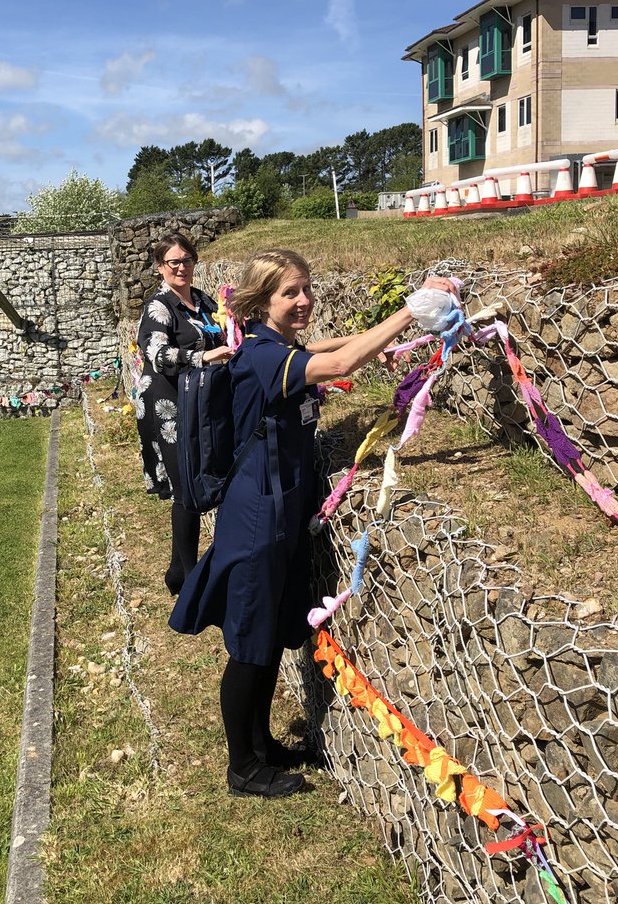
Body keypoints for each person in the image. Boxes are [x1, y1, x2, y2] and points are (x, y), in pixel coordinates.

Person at [169, 249, 459, 799]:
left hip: (280, 511)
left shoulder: (280, 346)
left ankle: (263, 745)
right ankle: (242, 766)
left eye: (306, 289)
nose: (302, 301)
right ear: (261, 302)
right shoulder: (260, 355)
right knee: (249, 647)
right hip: (258, 516)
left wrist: (399, 322)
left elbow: (334, 349)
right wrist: (410, 312)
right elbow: (341, 365)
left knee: (271, 637)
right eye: (289, 293)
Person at [135, 232, 234, 596]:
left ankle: (177, 573)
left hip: (198, 403)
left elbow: (227, 333)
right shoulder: (157, 307)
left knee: (193, 483)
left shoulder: (204, 301)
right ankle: (192, 582)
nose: (181, 267)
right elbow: (157, 355)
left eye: (187, 260)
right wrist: (201, 357)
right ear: (161, 267)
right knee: (186, 487)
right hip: (167, 405)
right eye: (173, 262)